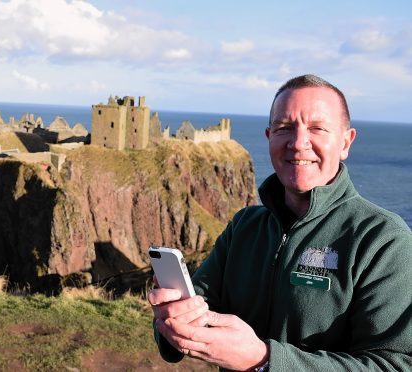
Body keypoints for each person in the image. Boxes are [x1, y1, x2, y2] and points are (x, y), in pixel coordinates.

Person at [148, 74, 412, 371]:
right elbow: (200, 309)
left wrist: (264, 360)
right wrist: (172, 321)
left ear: (345, 142)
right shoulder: (244, 227)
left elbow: (394, 365)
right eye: (284, 128)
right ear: (269, 137)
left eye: (317, 128)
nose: (298, 144)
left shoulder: (383, 240)